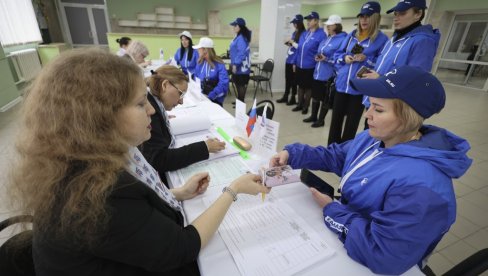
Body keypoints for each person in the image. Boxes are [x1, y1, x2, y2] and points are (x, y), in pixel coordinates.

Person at [8, 48, 269, 275]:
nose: (152, 110)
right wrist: (233, 190)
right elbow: (181, 248)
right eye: (140, 103)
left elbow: (131, 217)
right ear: (100, 117)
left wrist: (176, 192)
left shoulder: (84, 162)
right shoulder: (99, 191)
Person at [269, 66, 472, 275]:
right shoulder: (374, 138)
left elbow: (384, 255)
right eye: (369, 105)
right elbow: (337, 156)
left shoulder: (423, 187)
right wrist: (293, 154)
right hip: (351, 231)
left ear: (408, 118)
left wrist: (332, 210)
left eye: (378, 109)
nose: (367, 114)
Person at [142, 65, 226, 185]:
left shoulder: (154, 104)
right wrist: (205, 147)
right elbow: (160, 159)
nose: (181, 101)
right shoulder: (151, 112)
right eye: (180, 94)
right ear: (165, 85)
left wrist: (163, 118)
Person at [361, 0, 441, 119]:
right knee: (370, 134)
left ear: (418, 14)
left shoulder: (423, 41)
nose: (396, 18)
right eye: (396, 14)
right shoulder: (394, 39)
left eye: (402, 13)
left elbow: (414, 78)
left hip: (392, 106)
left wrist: (380, 79)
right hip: (376, 98)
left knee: (381, 136)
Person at [327, 1, 388, 145]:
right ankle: (331, 150)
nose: (363, 20)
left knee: (351, 124)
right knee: (335, 120)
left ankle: (346, 152)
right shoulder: (351, 35)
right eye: (361, 16)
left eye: (368, 16)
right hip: (342, 85)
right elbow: (338, 54)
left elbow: (381, 64)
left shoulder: (382, 39)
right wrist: (344, 58)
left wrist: (367, 60)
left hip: (360, 89)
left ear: (376, 18)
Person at [303, 15, 347, 128]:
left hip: (329, 75)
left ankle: (321, 120)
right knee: (316, 96)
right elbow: (320, 52)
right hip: (318, 72)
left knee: (325, 99)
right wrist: (317, 57)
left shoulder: (343, 39)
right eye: (327, 24)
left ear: (337, 25)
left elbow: (341, 59)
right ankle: (313, 116)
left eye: (330, 24)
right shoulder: (327, 38)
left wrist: (326, 59)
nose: (327, 26)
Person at [292, 11, 326, 115]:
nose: (308, 22)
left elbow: (321, 51)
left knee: (308, 88)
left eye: (310, 20)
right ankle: (299, 104)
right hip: (299, 64)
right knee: (300, 86)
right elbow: (299, 49)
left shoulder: (321, 34)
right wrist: (294, 62)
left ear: (316, 21)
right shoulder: (304, 33)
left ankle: (306, 106)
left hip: (310, 66)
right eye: (307, 20)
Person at [277, 14, 305, 105]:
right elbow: (293, 45)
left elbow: (300, 48)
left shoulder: (304, 34)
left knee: (293, 80)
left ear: (299, 23)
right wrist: (289, 43)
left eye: (295, 23)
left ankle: (293, 98)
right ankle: (286, 96)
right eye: (293, 23)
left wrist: (292, 42)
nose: (294, 25)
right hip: (289, 59)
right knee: (288, 79)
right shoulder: (295, 32)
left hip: (294, 61)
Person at [193, 37, 229, 106]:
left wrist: (210, 96)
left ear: (205, 50)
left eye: (199, 48)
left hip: (215, 101)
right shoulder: (199, 63)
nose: (197, 50)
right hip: (201, 99)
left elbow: (224, 84)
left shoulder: (219, 64)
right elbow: (196, 78)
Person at [229, 17, 252, 102]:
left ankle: (241, 103)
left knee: (241, 86)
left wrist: (235, 64)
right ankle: (239, 101)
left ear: (239, 26)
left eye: (235, 26)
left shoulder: (241, 38)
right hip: (238, 66)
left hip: (241, 67)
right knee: (238, 85)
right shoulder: (238, 37)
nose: (233, 27)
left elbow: (241, 53)